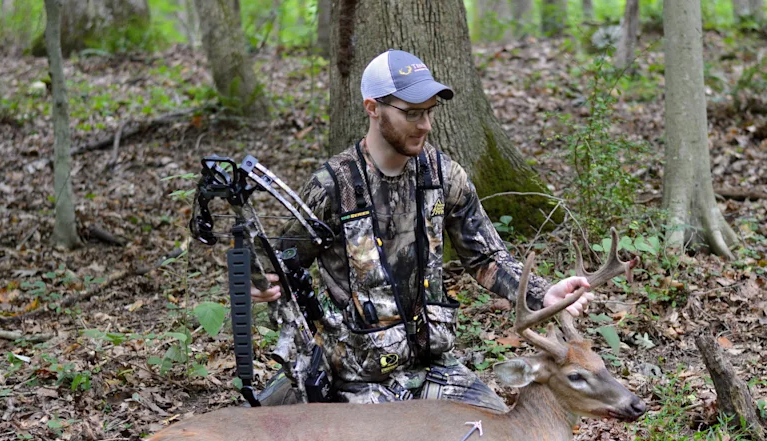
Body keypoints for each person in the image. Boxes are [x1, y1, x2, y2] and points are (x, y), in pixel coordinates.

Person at [252, 49, 593, 411]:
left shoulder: (443, 175)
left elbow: (486, 257)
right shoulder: (334, 186)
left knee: (493, 431)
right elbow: (280, 261)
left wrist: (544, 295)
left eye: (429, 112)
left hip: (432, 369)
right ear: (373, 107)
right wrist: (259, 282)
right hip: (355, 380)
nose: (425, 125)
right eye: (412, 113)